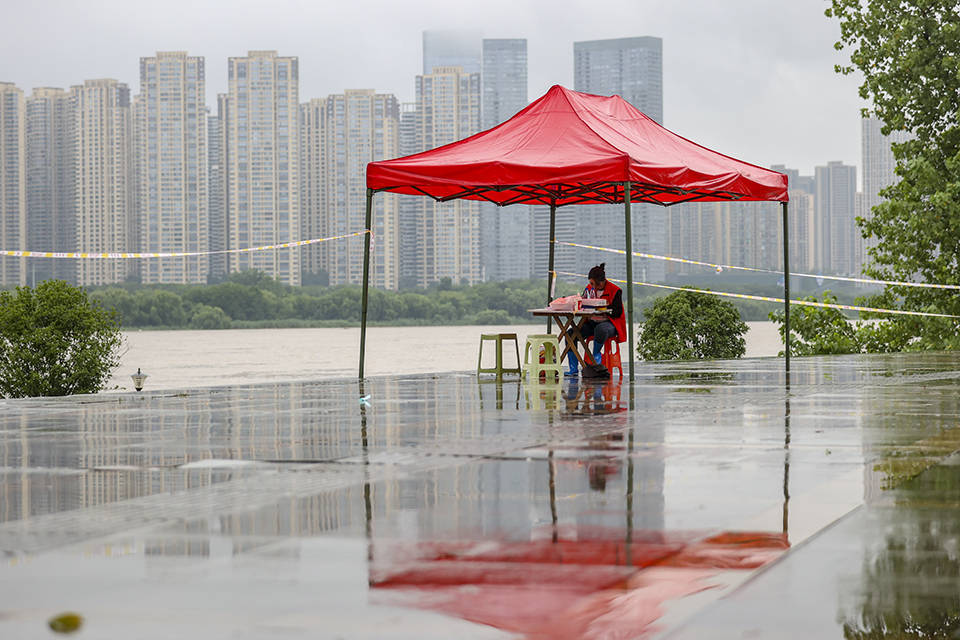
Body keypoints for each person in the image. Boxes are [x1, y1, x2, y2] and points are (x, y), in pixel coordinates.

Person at [566, 263, 626, 376]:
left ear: (601, 282)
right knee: (570, 334)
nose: (591, 286)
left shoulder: (615, 290)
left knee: (601, 330)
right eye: (590, 283)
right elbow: (583, 303)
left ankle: (596, 362)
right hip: (591, 322)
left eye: (593, 283)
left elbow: (617, 312)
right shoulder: (589, 289)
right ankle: (573, 369)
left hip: (609, 324)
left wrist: (603, 308)